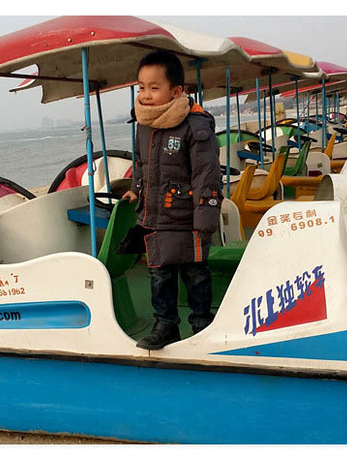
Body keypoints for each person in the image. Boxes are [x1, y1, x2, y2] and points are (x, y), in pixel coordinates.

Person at [121, 50, 223, 350]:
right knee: (159, 274)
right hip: (154, 215)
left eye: (154, 87)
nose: (145, 95)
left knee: (195, 273)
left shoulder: (195, 126)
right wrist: (135, 189)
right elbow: (141, 164)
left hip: (187, 216)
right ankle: (165, 326)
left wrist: (206, 216)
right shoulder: (144, 124)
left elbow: (206, 174)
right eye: (141, 87)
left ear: (176, 91)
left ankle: (202, 324)